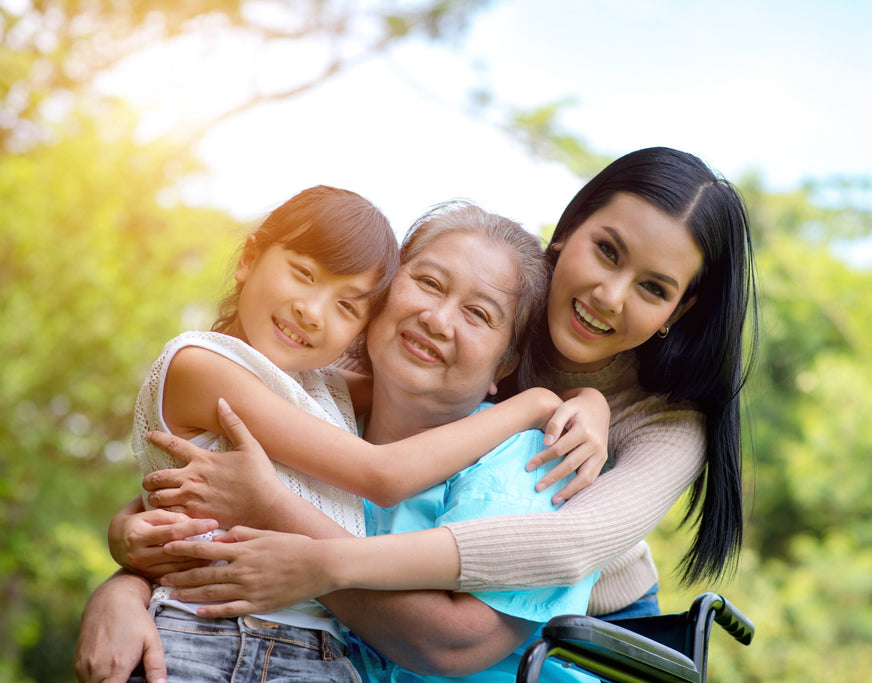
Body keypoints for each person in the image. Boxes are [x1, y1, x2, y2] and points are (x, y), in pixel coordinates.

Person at [79, 146, 758, 678]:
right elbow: (210, 481)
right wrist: (128, 577)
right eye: (606, 250)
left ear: (681, 310)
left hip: (566, 633)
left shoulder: (635, 424)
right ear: (569, 230)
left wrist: (315, 554)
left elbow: (561, 549)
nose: (609, 295)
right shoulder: (378, 370)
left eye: (653, 287)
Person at [85, 190, 607, 683]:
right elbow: (190, 506)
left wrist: (569, 402)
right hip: (215, 638)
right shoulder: (311, 402)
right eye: (427, 282)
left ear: (507, 362)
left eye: (477, 314)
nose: (438, 319)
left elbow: (454, 643)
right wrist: (125, 581)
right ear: (382, 306)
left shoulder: (526, 452)